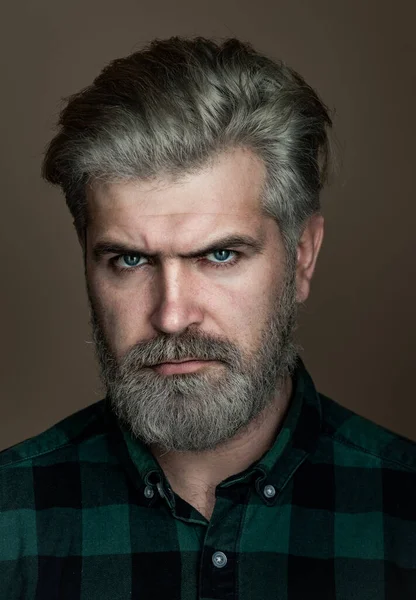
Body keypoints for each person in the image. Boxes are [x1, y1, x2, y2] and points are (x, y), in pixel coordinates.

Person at [0, 36, 415, 600]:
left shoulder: (402, 511)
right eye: (129, 259)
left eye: (220, 255)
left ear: (301, 257)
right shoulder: (11, 517)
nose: (172, 316)